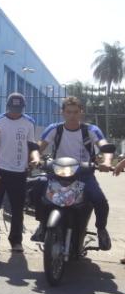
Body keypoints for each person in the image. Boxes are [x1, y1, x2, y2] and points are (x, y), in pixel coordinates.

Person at [34, 96, 113, 249]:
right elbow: (38, 148)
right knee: (38, 186)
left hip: (83, 174)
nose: (72, 115)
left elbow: (104, 146)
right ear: (62, 112)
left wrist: (107, 161)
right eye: (68, 112)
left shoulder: (90, 130)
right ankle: (43, 224)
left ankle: (101, 230)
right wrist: (35, 159)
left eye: (75, 112)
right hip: (57, 172)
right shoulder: (54, 129)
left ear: (81, 113)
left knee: (99, 199)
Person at [0, 93, 39, 253]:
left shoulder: (28, 122)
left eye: (18, 109)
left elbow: (32, 146)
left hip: (19, 171)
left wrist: (34, 159)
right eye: (12, 108)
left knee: (18, 209)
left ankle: (16, 241)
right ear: (8, 106)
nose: (15, 112)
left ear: (23, 108)